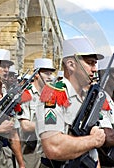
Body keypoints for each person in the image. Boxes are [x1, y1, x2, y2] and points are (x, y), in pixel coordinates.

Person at [36, 37, 106, 168]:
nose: (95, 69)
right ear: (71, 64)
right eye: (90, 63)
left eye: (95, 64)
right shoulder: (54, 95)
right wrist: (94, 140)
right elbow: (53, 146)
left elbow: (92, 149)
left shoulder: (88, 96)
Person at [17, 58, 56, 168]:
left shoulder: (50, 96)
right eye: (46, 73)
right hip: (30, 151)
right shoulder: (25, 95)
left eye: (51, 73)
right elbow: (25, 126)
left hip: (46, 150)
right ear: (36, 74)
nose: (50, 77)